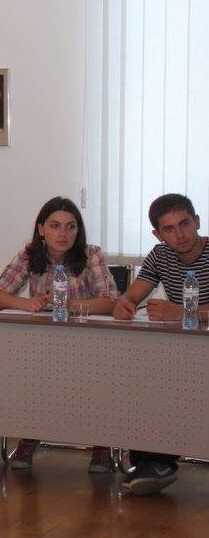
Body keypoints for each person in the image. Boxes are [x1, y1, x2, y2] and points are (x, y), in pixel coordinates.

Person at [0, 196, 118, 474]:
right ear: (41, 229)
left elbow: (110, 302)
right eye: (55, 226)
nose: (63, 233)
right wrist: (25, 303)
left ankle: (102, 444)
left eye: (71, 226)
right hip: (44, 343)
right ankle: (30, 435)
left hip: (88, 342)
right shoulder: (29, 255)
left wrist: (68, 304)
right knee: (28, 370)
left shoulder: (91, 254)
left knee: (99, 376)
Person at [111, 193, 209, 495]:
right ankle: (152, 462)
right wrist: (123, 303)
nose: (180, 234)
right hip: (186, 351)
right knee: (148, 379)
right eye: (169, 229)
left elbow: (183, 313)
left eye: (185, 224)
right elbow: (133, 294)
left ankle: (156, 463)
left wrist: (185, 312)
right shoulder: (160, 255)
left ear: (197, 222)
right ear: (158, 234)